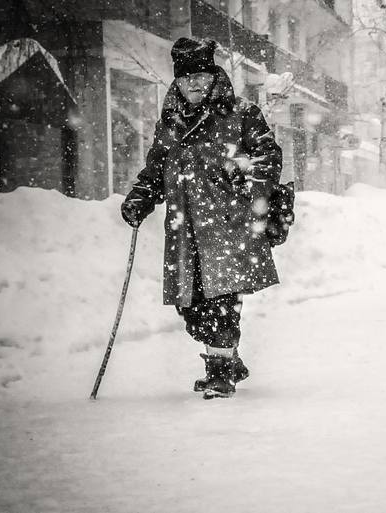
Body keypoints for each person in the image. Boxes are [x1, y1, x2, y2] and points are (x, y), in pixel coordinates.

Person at [119, 37, 283, 399]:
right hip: (185, 228)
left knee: (221, 303)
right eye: (186, 77)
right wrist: (141, 197)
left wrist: (247, 181)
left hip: (229, 226)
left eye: (201, 75)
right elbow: (156, 170)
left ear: (214, 76)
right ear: (176, 81)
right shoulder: (170, 124)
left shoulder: (241, 114)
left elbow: (268, 158)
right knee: (191, 306)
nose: (195, 83)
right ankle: (228, 360)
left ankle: (221, 372)